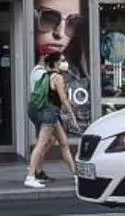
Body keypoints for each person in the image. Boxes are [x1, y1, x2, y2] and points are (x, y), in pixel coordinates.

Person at [24, 55, 78, 189]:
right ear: (55, 63)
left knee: (64, 143)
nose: (64, 63)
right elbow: (63, 99)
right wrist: (73, 117)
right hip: (51, 114)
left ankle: (76, 175)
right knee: (42, 144)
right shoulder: (57, 77)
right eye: (62, 60)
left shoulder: (45, 76)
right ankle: (30, 176)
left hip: (47, 112)